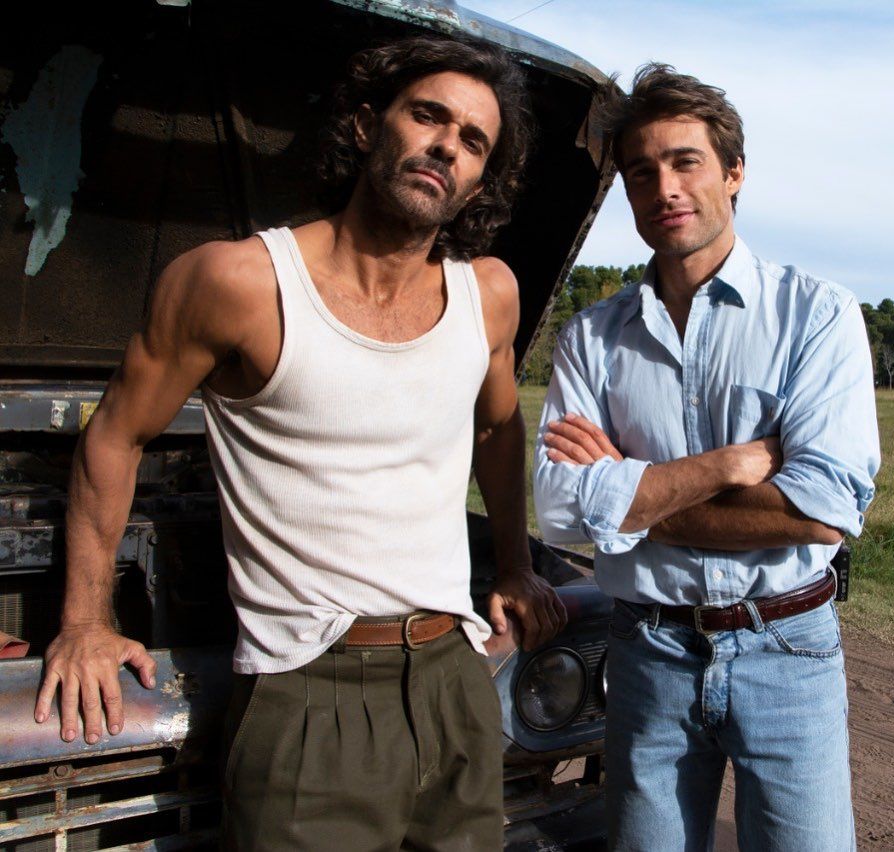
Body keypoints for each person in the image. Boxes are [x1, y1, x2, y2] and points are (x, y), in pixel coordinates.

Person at [34, 36, 567, 850]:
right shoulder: (239, 283)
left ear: (479, 183)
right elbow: (115, 435)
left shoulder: (489, 294)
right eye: (428, 116)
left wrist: (517, 566)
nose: (445, 147)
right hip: (310, 690)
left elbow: (496, 426)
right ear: (367, 125)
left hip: (454, 679)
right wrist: (83, 620)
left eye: (472, 141)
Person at [534, 63, 879, 851]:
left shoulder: (817, 316)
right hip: (647, 652)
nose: (664, 188)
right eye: (640, 171)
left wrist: (626, 496)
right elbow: (557, 509)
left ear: (734, 172)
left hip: (786, 646)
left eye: (685, 161)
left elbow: (820, 513)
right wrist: (728, 468)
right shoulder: (593, 337)